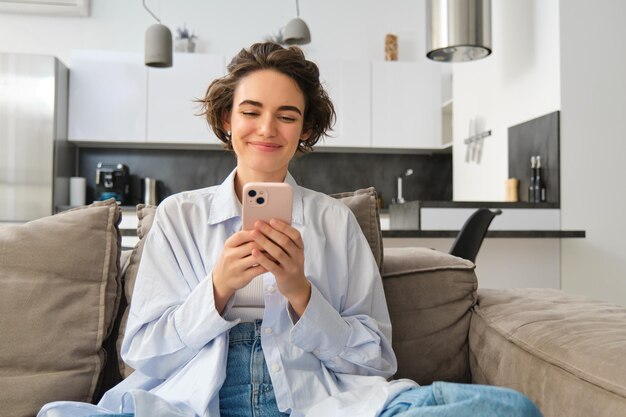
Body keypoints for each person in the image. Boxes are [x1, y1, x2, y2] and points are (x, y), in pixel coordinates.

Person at [38, 42, 542, 417]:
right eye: (251, 112)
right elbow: (142, 352)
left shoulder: (333, 221)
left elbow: (376, 360)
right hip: (196, 401)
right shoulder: (178, 216)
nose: (266, 129)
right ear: (226, 121)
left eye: (287, 116)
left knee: (509, 410)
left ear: (304, 131)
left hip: (316, 400)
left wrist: (301, 293)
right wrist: (217, 290)